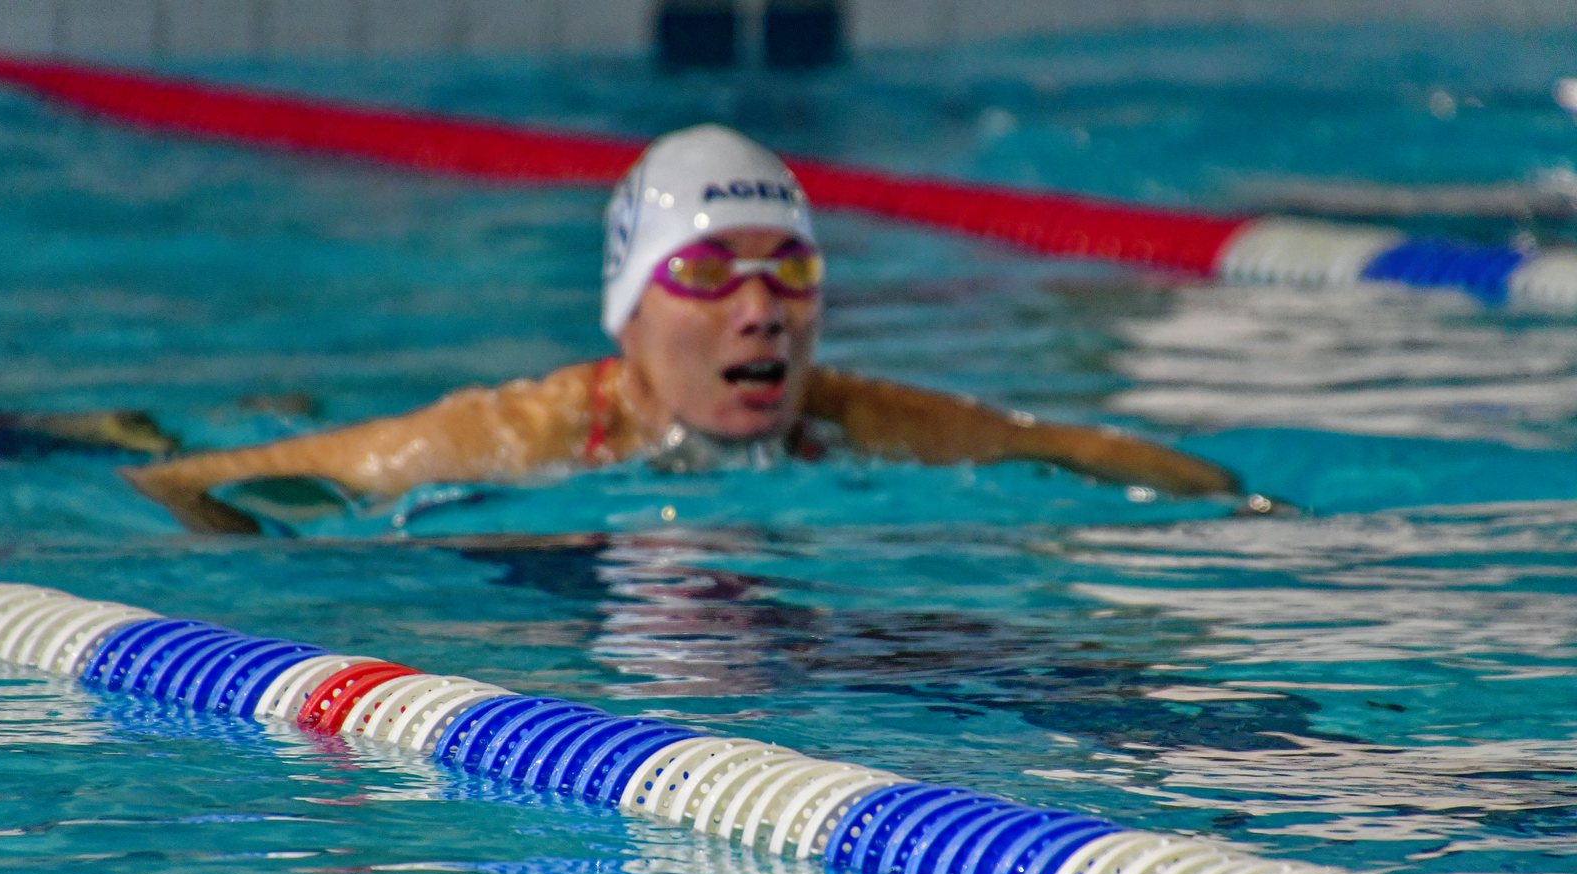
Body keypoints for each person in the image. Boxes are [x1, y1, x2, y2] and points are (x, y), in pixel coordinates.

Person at [122, 124, 1242, 535]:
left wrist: (1253, 513)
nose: (760, 310)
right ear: (631, 311)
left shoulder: (852, 419)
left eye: (789, 270)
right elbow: (183, 484)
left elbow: (1073, 451)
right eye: (706, 274)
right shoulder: (516, 435)